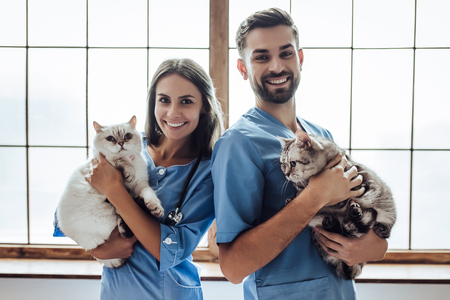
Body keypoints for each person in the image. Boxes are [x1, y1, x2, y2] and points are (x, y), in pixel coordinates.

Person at [211, 8, 388, 300]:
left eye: (286, 53)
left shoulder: (321, 137)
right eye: (261, 57)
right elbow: (233, 266)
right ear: (242, 69)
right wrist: (315, 195)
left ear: (300, 59)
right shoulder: (238, 145)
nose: (277, 66)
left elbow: (355, 215)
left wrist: (374, 246)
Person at [55, 58, 224, 299]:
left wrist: (114, 190)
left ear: (204, 107)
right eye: (164, 100)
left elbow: (170, 250)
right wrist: (99, 249)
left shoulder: (209, 172)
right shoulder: (126, 144)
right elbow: (67, 211)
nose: (173, 112)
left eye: (186, 101)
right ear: (153, 103)